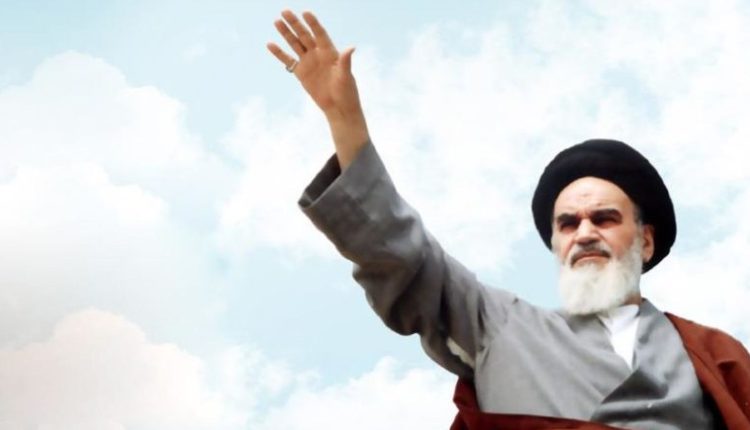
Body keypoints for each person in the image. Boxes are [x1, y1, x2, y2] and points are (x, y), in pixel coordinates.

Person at [268, 10, 750, 429]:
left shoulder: (713, 355)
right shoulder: (499, 326)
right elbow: (403, 253)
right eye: (568, 224)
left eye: (604, 219)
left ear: (645, 241)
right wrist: (344, 120)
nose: (585, 233)